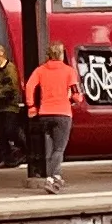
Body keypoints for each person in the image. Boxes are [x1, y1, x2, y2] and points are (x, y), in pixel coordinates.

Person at [21, 42, 75, 185]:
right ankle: (54, 177)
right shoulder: (69, 71)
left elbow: (29, 86)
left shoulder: (40, 70)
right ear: (61, 54)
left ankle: (50, 175)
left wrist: (31, 106)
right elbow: (75, 92)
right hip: (63, 114)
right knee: (59, 148)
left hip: (45, 114)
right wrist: (77, 98)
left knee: (49, 147)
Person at [0, 41, 26, 168]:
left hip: (9, 106)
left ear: (1, 54)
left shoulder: (10, 69)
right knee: (1, 135)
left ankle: (24, 150)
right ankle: (7, 159)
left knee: (10, 131)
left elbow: (11, 87)